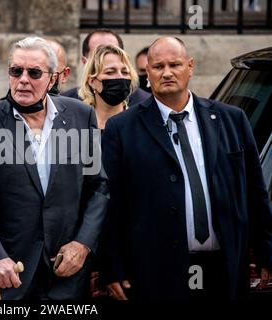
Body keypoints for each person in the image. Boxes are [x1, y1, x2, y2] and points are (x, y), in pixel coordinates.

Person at [99, 37, 272, 300]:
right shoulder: (122, 128)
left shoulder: (232, 119)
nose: (167, 73)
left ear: (190, 66)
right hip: (154, 271)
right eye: (157, 67)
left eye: (175, 65)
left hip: (224, 269)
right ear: (148, 73)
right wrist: (112, 266)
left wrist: (265, 252)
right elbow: (111, 202)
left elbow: (255, 192)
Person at [0, 36, 109, 300]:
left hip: (66, 275)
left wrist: (82, 244)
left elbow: (98, 187)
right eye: (16, 71)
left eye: (34, 72)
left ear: (53, 79)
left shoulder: (80, 116)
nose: (23, 79)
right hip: (8, 275)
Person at [62, 28, 149, 106]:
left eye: (113, 51)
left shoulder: (145, 103)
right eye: (98, 55)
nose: (107, 56)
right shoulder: (66, 103)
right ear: (85, 62)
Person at [79, 44, 138, 129]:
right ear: (92, 81)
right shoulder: (78, 124)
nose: (120, 77)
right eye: (110, 72)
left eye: (125, 72)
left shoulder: (138, 123)